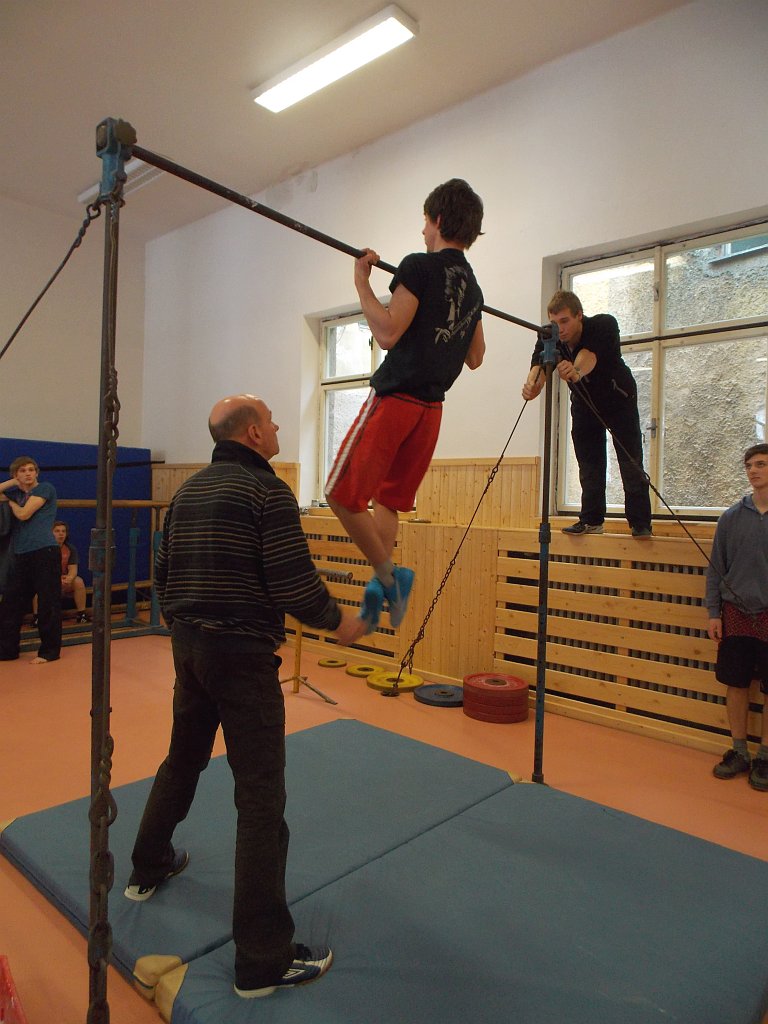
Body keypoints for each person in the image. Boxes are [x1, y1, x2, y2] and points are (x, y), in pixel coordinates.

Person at [124, 394, 367, 999]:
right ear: (254, 433)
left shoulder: (186, 493)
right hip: (242, 660)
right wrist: (342, 622)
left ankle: (147, 866)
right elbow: (293, 584)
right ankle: (262, 962)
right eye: (273, 421)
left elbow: (163, 575)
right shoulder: (267, 492)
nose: (280, 427)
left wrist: (189, 629)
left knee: (183, 759)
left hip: (190, 650)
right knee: (260, 798)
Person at [326, 178, 486, 632]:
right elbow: (475, 357)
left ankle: (388, 577)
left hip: (397, 399)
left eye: (425, 221)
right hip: (431, 412)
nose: (422, 231)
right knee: (388, 501)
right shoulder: (474, 289)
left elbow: (388, 332)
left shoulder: (419, 266)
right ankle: (380, 591)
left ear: (438, 220)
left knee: (340, 494)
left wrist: (362, 283)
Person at [522, 290, 652, 537]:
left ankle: (640, 523)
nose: (560, 329)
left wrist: (575, 371)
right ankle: (591, 520)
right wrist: (532, 386)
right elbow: (539, 367)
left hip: (618, 398)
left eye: (564, 321)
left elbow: (588, 356)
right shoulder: (549, 336)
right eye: (554, 322)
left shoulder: (603, 325)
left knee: (630, 462)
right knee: (589, 462)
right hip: (584, 402)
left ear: (579, 315)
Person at [706, 443, 768, 792]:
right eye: (749, 465)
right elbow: (716, 568)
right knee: (736, 683)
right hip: (735, 613)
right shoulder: (731, 517)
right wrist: (714, 613)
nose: (753, 470)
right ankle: (740, 751)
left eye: (760, 464)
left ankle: (765, 757)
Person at [0, 457, 61, 663]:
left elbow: (24, 514)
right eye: (22, 471)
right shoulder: (16, 493)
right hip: (21, 554)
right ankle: (7, 650)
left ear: (37, 473)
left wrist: (10, 502)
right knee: (10, 603)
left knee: (47, 603)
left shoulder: (45, 488)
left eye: (31, 470)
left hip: (45, 551)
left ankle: (49, 652)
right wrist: (12, 483)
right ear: (15, 475)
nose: (28, 473)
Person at [32, 521, 87, 625]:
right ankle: (37, 617)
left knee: (78, 582)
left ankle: (81, 615)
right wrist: (55, 580)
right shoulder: (43, 549)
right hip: (47, 580)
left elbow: (73, 569)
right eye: (57, 531)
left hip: (63, 580)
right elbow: (41, 571)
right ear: (51, 533)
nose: (61, 534)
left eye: (63, 531)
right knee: (38, 585)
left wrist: (69, 578)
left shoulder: (70, 549)